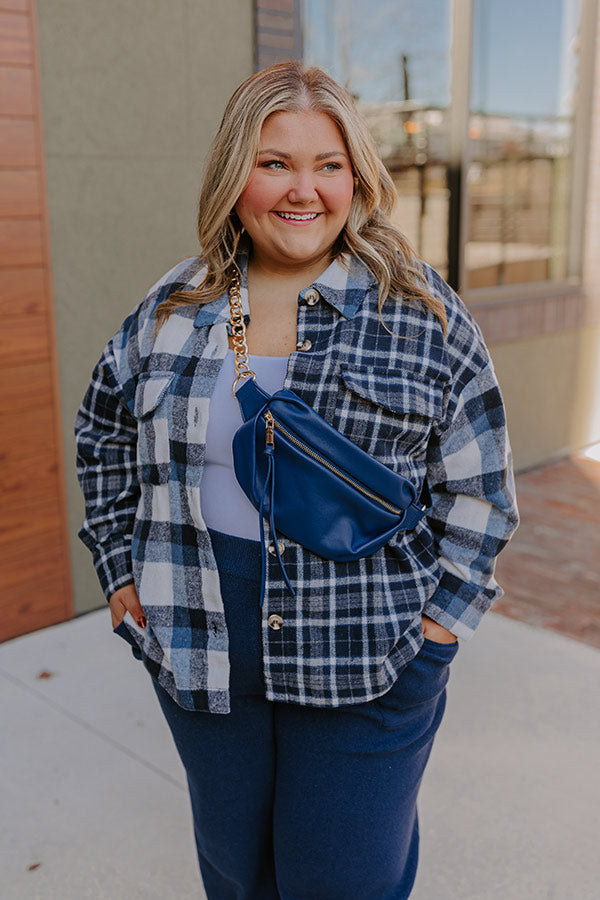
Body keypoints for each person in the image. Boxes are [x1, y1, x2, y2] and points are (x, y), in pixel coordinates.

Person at [75, 62, 519, 900]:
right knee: (238, 876)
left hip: (368, 652)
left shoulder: (420, 316)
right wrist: (120, 572)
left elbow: (481, 493)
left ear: (357, 178)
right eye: (274, 162)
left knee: (342, 880)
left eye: (329, 164)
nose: (302, 191)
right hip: (202, 644)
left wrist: (435, 639)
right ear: (234, 173)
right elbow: (101, 427)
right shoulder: (173, 308)